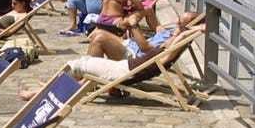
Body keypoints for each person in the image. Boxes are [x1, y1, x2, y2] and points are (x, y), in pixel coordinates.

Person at [19, 14, 205, 98]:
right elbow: (175, 38)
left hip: (122, 70)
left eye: (178, 31)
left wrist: (190, 31)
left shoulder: (164, 53)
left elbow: (175, 43)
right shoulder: (166, 47)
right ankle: (54, 86)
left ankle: (44, 91)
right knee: (83, 63)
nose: (174, 32)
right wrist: (186, 32)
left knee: (78, 64)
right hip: (125, 67)